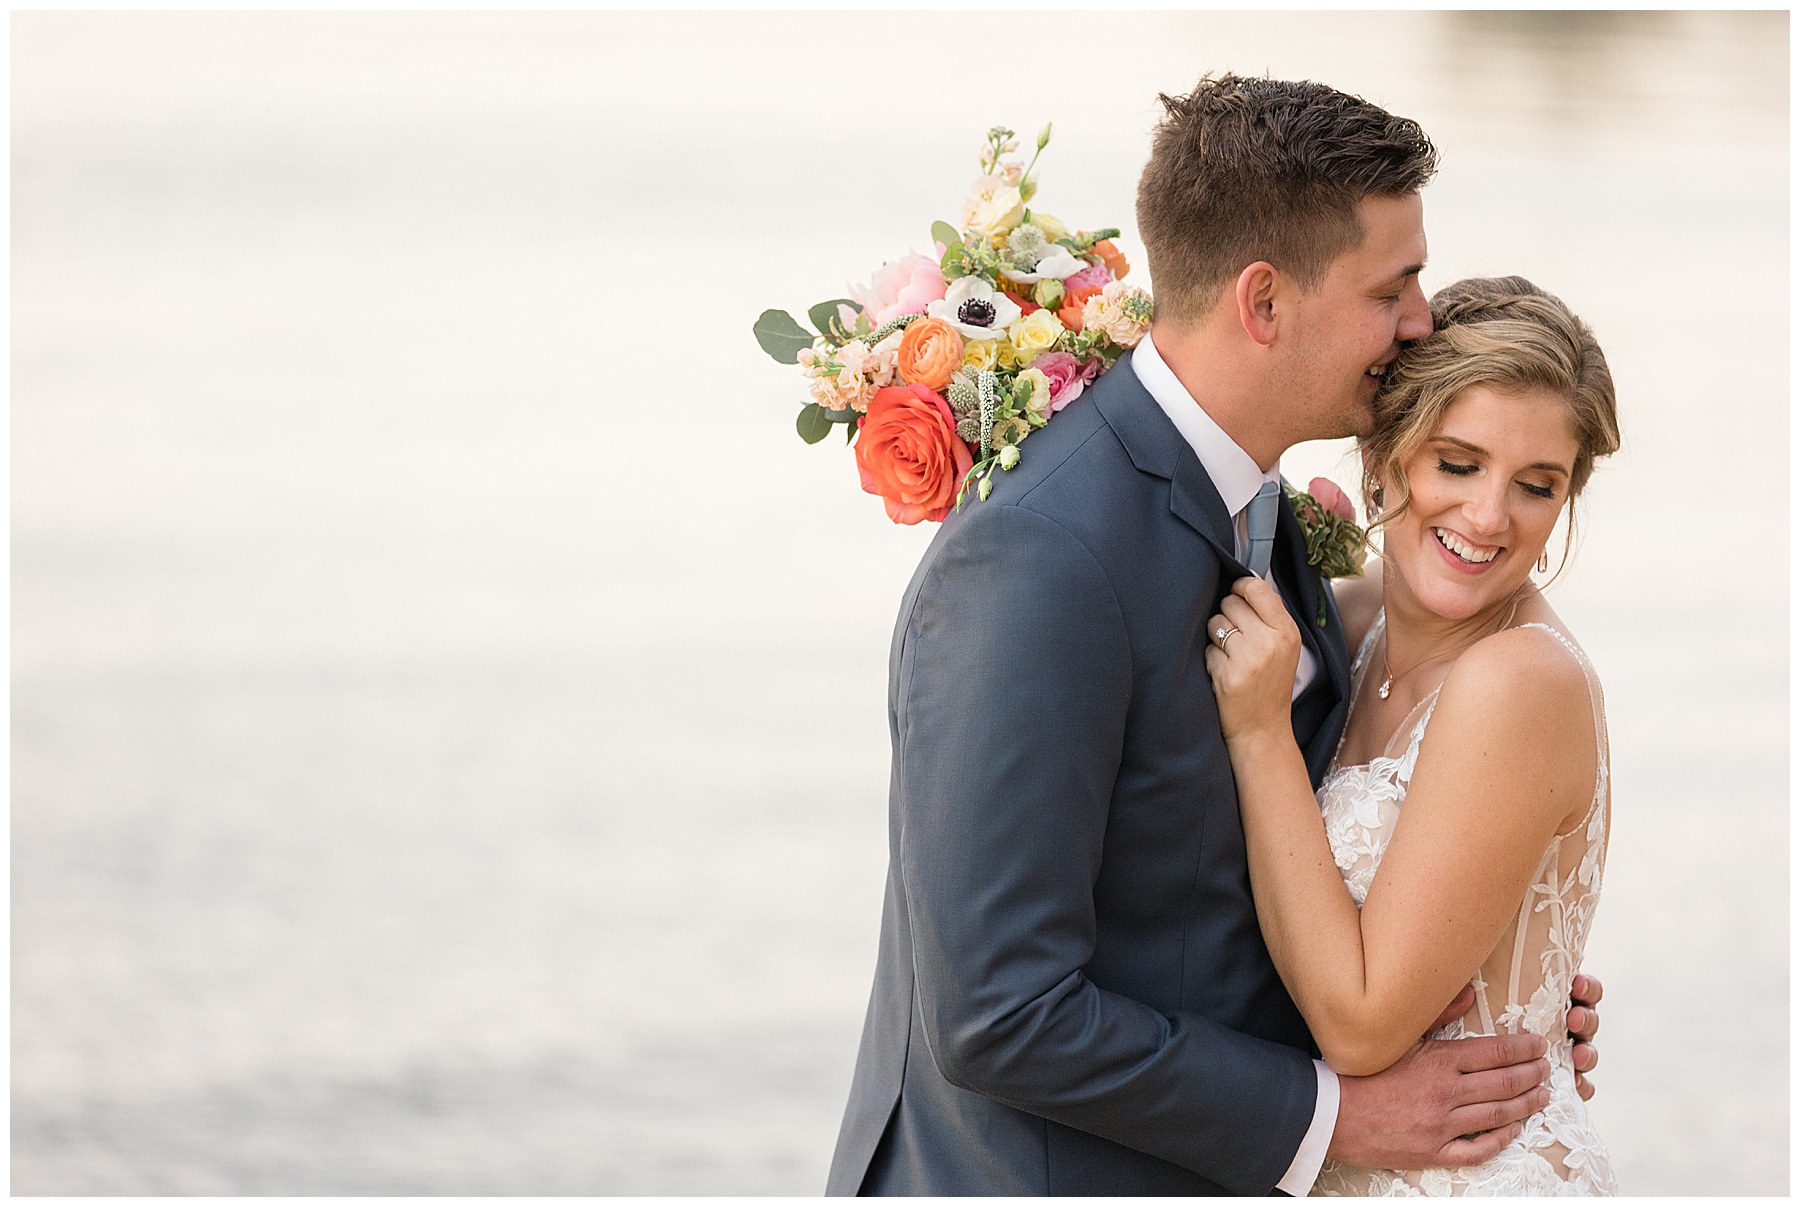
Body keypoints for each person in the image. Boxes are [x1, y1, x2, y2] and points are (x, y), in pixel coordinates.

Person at [825, 76, 1602, 1197]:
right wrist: (1337, 1116)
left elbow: (1232, 874)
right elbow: (998, 1013)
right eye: (1395, 286)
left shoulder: (1259, 502)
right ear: (1265, 303)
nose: (1422, 320)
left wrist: (1495, 965)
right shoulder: (1042, 556)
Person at [1203, 276, 1620, 1194]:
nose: (1487, 517)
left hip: (1474, 1174)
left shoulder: (1521, 681)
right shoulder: (1339, 628)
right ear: (1384, 458)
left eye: (1536, 485)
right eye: (1458, 463)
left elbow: (1358, 1026)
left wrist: (1261, 734)